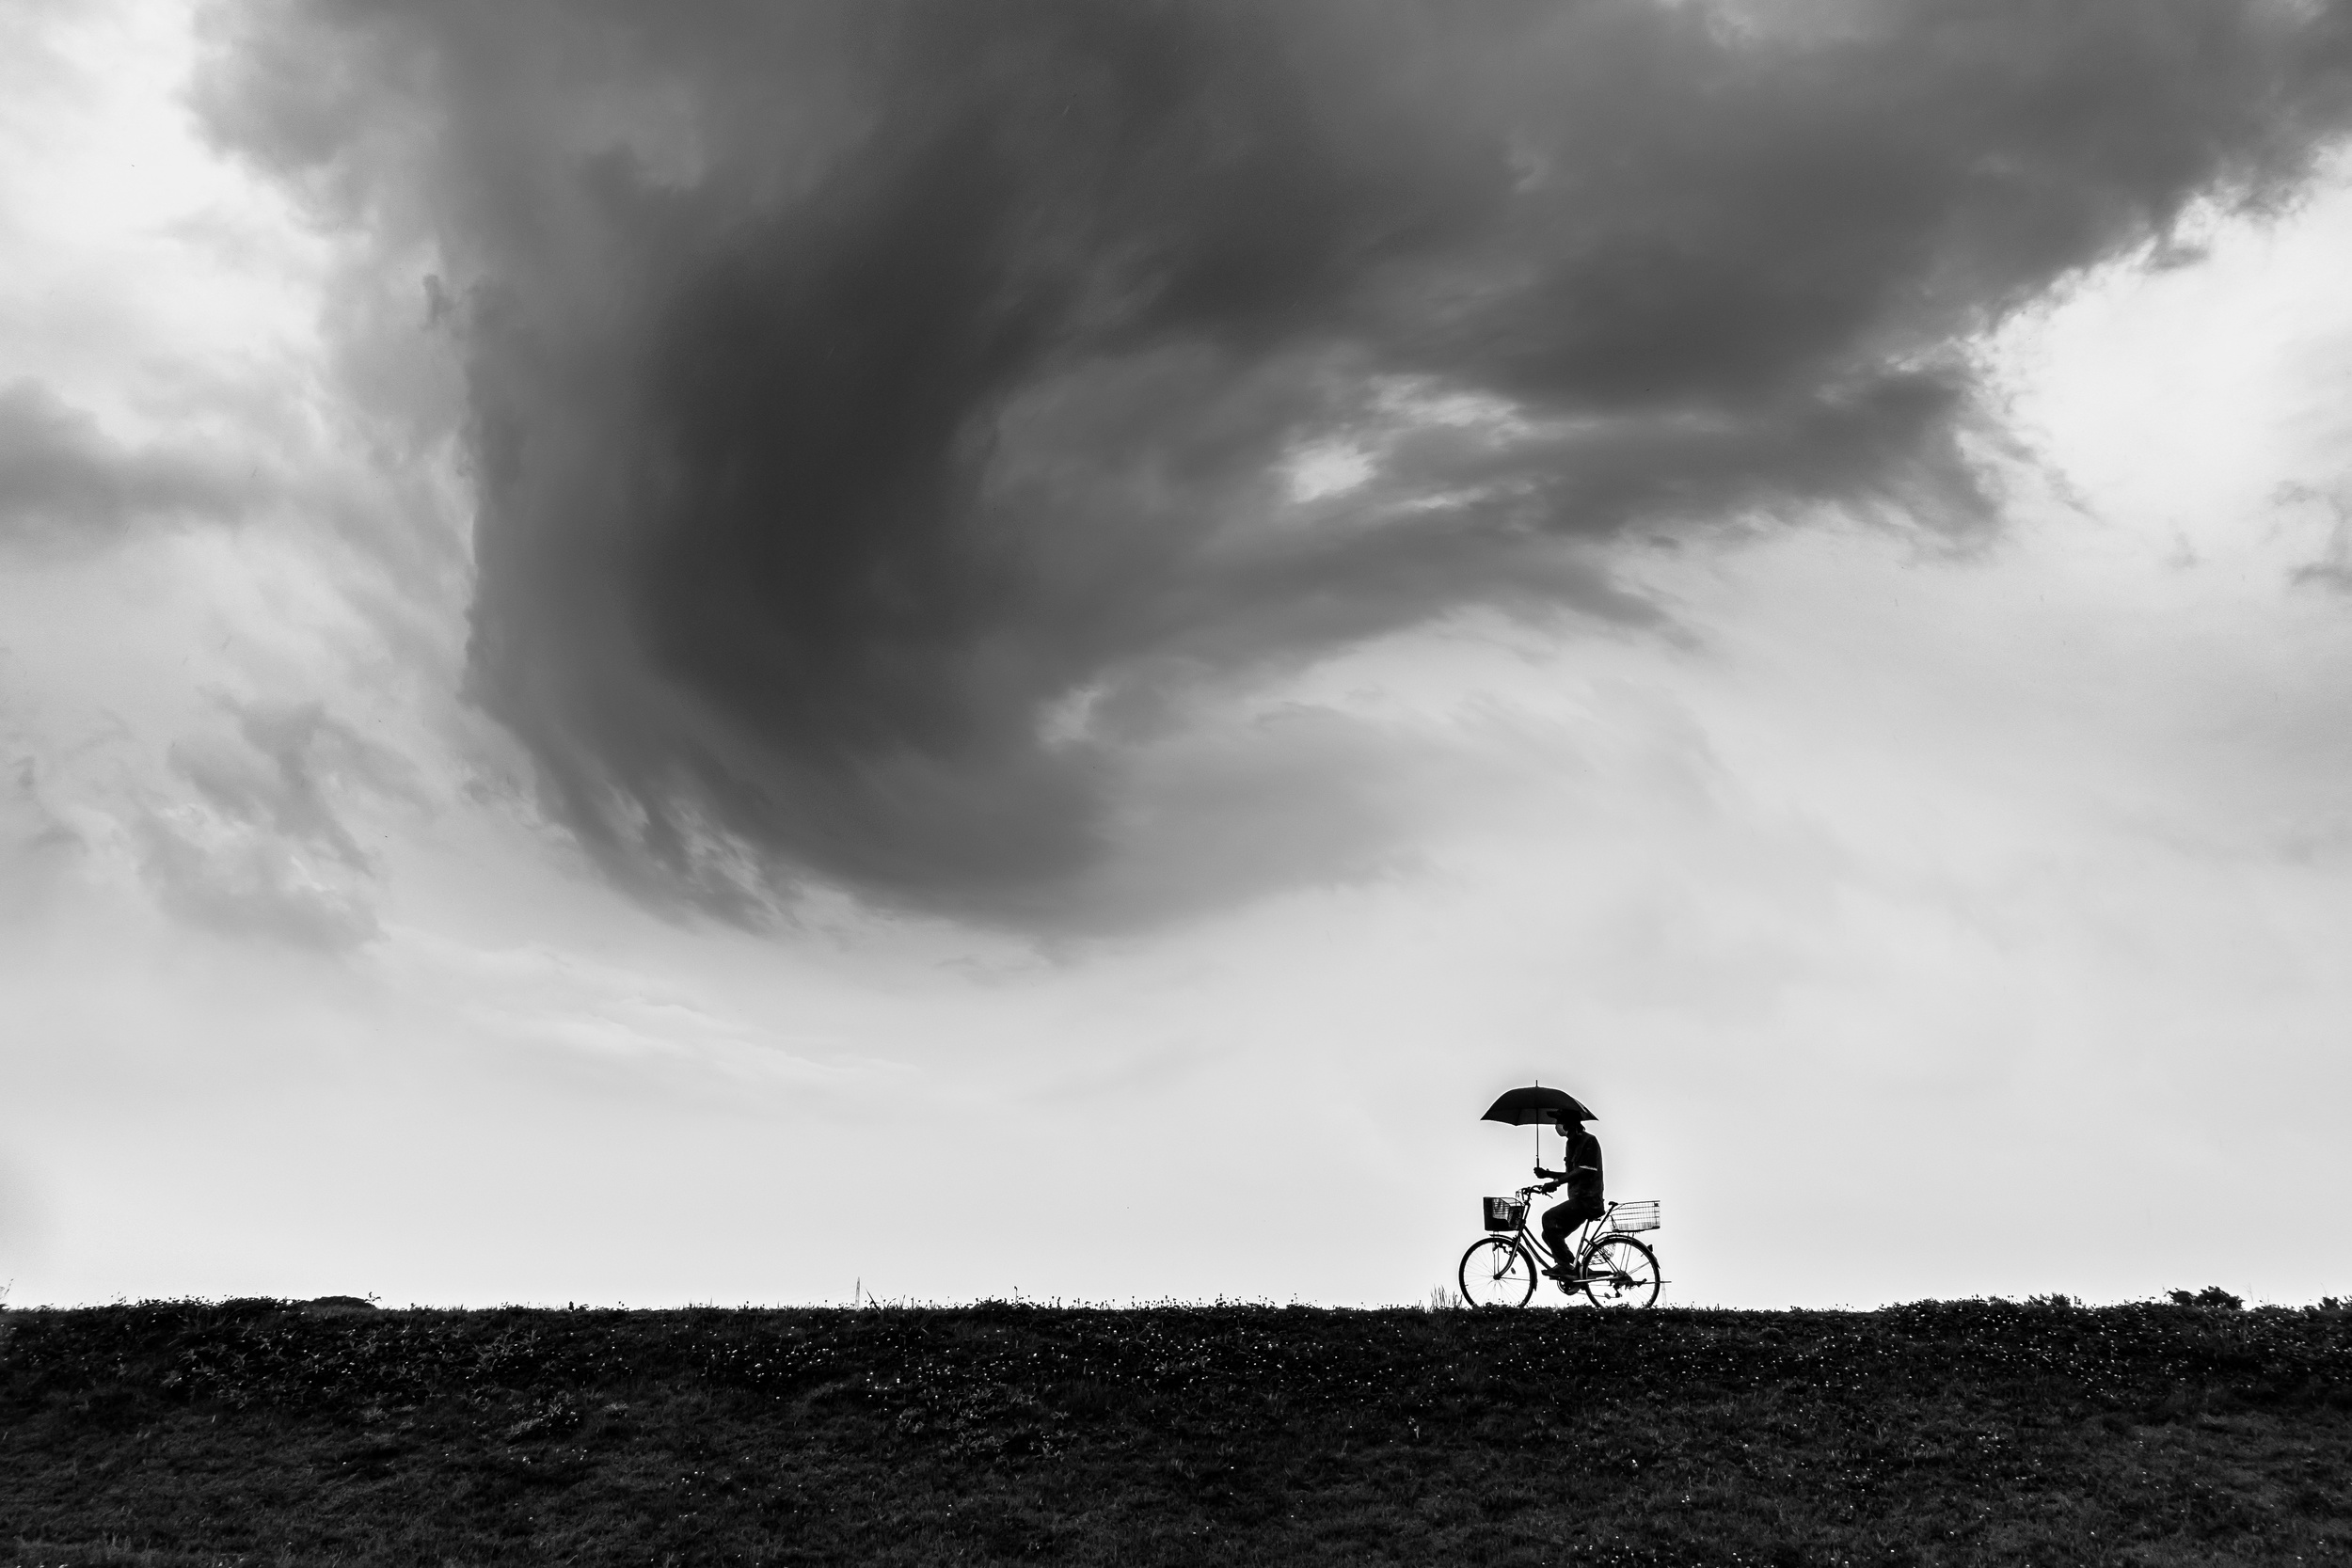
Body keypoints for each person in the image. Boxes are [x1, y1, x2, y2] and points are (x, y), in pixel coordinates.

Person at [1533, 1109, 1604, 1278]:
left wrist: (1556, 1182)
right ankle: (1575, 1268)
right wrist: (1548, 1174)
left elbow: (1583, 1171)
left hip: (1588, 1200)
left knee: (1548, 1218)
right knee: (1549, 1234)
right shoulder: (1570, 1144)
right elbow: (1570, 1173)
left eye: (1561, 1121)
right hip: (1578, 1199)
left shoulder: (1589, 1141)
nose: (1559, 1126)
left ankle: (1565, 1266)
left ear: (1571, 1124)